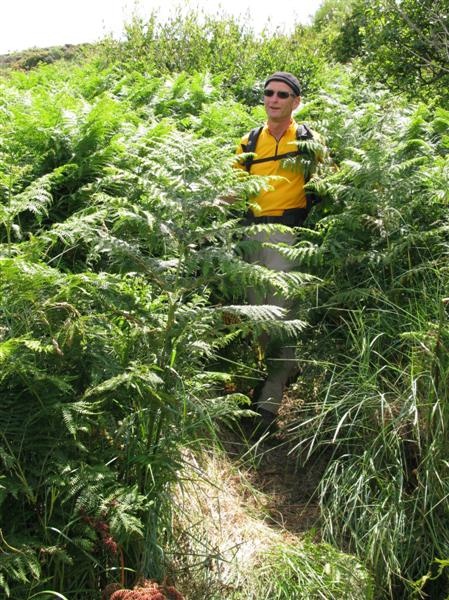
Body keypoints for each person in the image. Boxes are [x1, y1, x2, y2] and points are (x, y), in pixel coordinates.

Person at [236, 71, 312, 431]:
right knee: (256, 315)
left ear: (296, 101)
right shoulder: (250, 141)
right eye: (269, 93)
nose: (274, 99)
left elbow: (330, 182)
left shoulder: (308, 141)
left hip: (287, 234)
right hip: (251, 234)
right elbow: (233, 186)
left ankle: (269, 402)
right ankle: (276, 373)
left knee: (281, 315)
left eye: (283, 94)